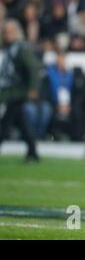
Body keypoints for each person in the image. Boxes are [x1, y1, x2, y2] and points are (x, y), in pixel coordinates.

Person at [0, 19, 41, 162]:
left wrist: (33, 88)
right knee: (21, 124)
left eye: (11, 31)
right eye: (6, 32)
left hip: (16, 92)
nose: (8, 34)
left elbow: (34, 68)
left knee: (5, 124)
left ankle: (32, 151)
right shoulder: (8, 47)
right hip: (8, 92)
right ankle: (33, 152)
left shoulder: (21, 48)